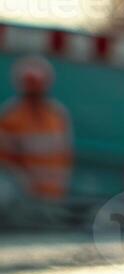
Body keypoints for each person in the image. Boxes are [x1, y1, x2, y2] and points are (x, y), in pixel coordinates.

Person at [0, 57, 74, 202]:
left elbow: (66, 154)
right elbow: (5, 161)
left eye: (38, 84)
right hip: (23, 198)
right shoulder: (11, 116)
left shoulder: (57, 114)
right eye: (30, 84)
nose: (35, 89)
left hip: (55, 195)